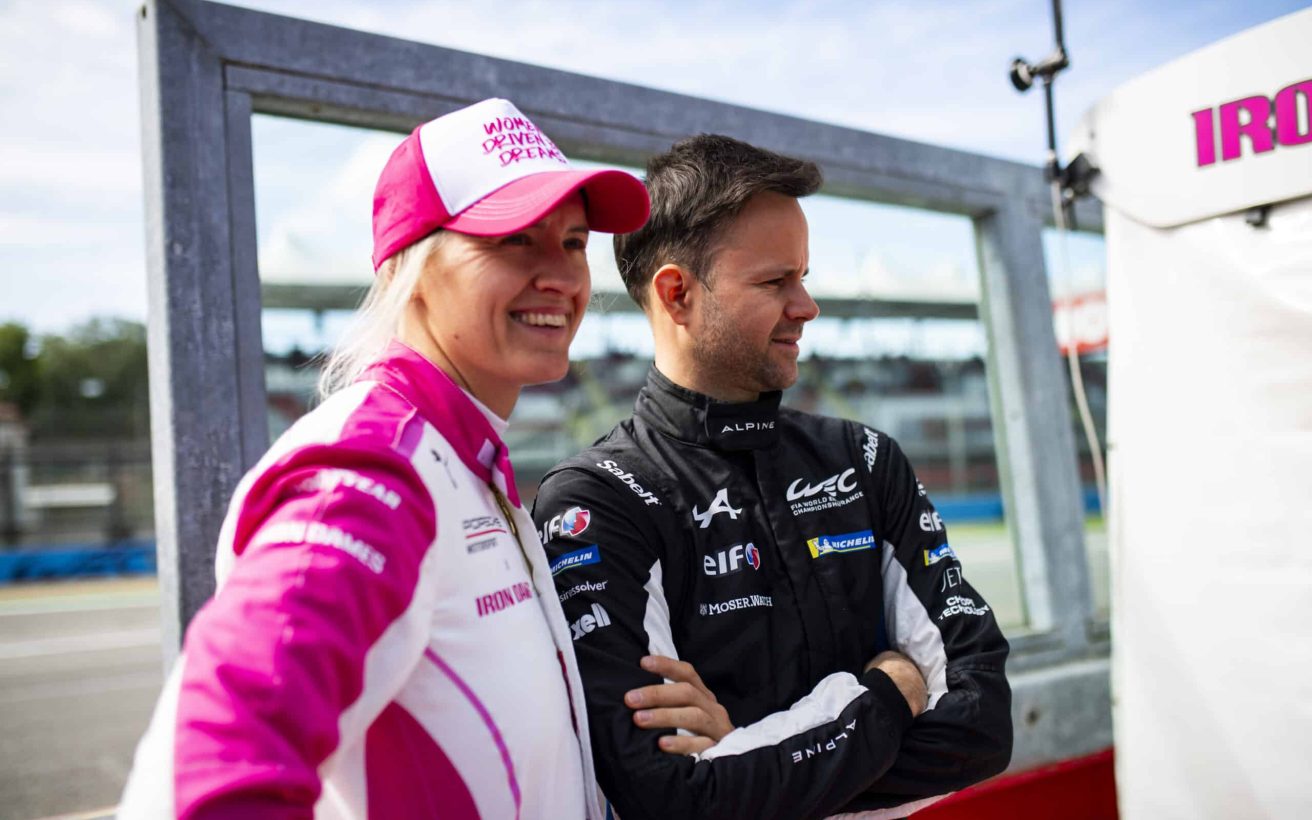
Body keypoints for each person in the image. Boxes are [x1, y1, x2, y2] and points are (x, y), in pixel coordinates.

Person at [118, 98, 649, 819]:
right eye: (514, 240)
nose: (561, 274)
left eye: (575, 241)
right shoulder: (370, 468)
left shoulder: (459, 455)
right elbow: (202, 775)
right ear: (415, 268)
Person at [532, 135, 1012, 819]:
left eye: (804, 276)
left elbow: (984, 727)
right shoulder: (597, 501)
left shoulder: (865, 461)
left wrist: (748, 753)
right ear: (677, 294)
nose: (807, 307)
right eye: (774, 282)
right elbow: (668, 798)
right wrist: (886, 691)